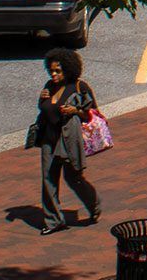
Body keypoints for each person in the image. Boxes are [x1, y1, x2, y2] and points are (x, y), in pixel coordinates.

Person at [33, 51, 103, 231]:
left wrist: (75, 111)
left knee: (73, 177)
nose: (54, 75)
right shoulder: (49, 86)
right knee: (48, 179)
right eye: (51, 71)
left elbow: (92, 113)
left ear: (68, 69)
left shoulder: (80, 87)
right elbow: (46, 110)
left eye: (58, 71)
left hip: (69, 140)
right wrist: (42, 100)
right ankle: (54, 220)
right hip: (50, 138)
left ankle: (94, 204)